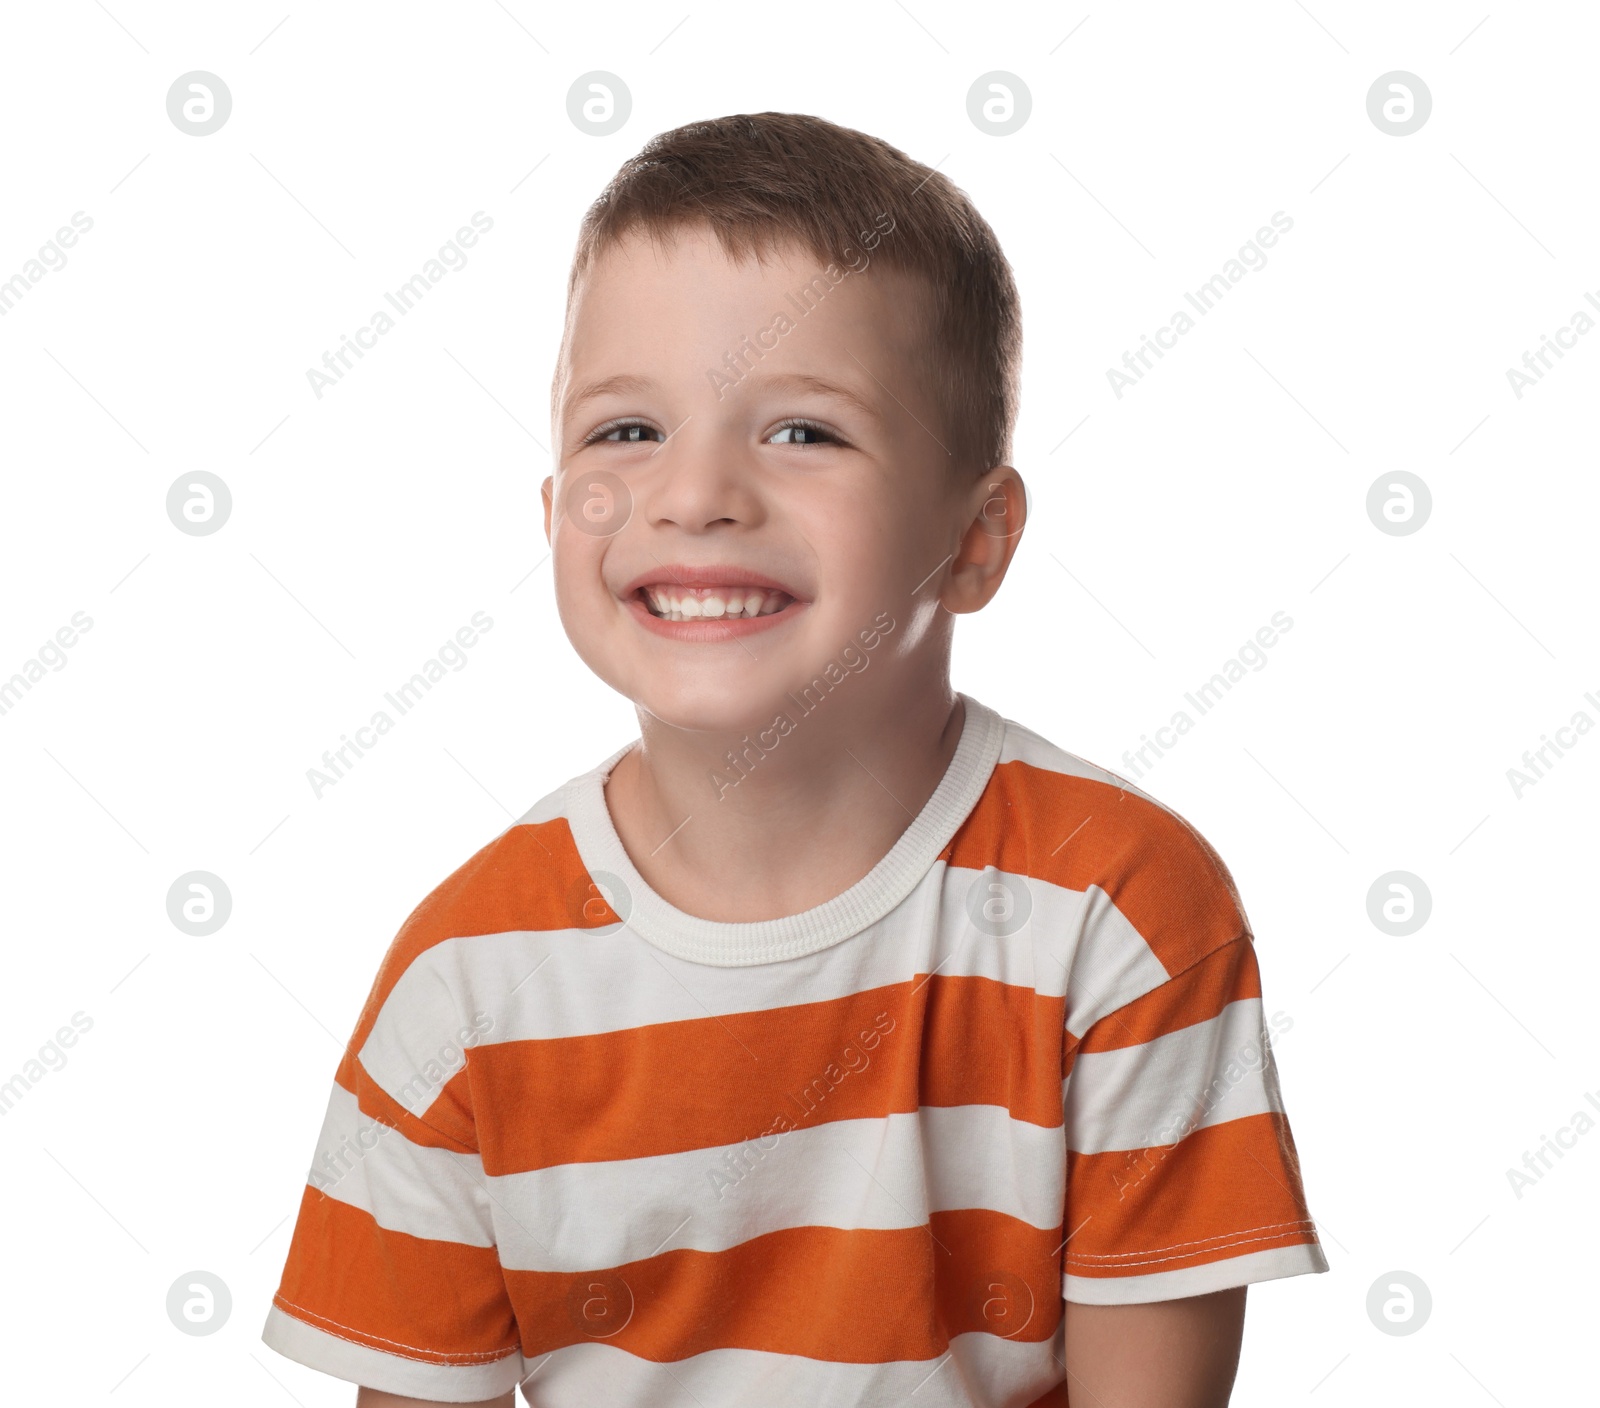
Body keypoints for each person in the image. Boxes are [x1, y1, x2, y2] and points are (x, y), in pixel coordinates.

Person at [262, 111, 1327, 1407]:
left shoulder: (1119, 912)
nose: (695, 494)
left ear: (977, 539)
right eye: (626, 431)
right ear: (552, 512)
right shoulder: (468, 984)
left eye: (804, 432)